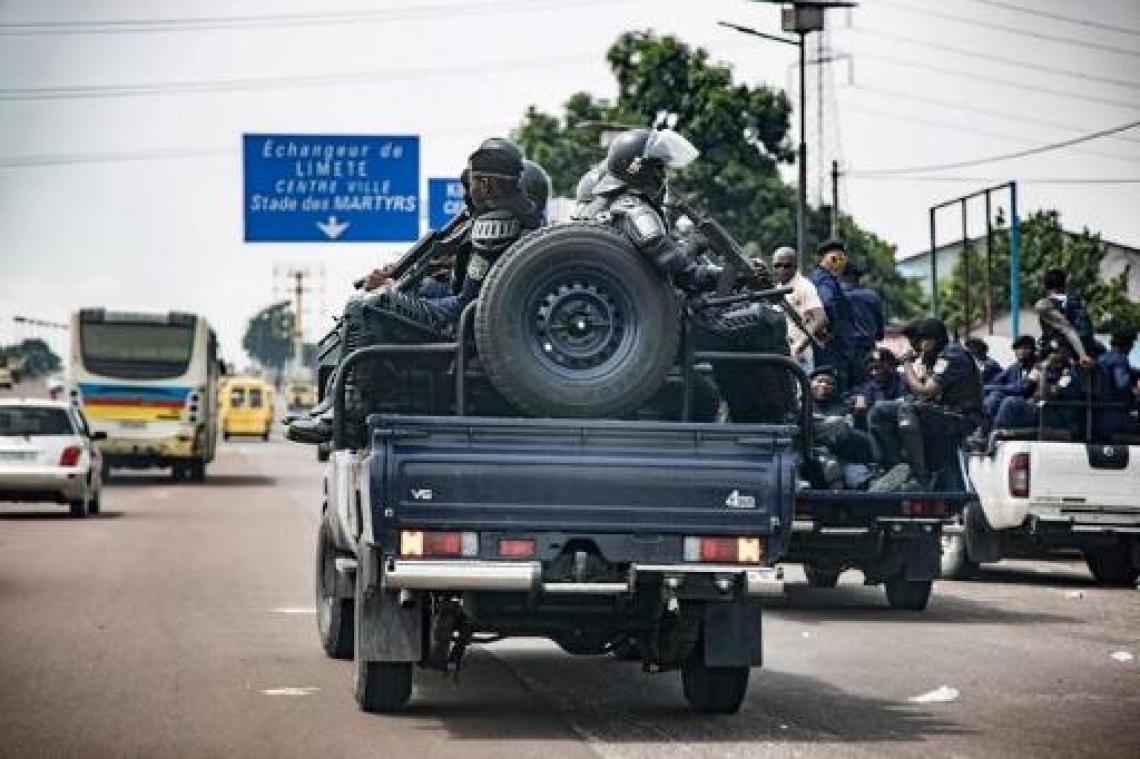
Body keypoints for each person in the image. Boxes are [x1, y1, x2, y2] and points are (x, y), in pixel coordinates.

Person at [287, 138, 545, 445]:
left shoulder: (498, 223)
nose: (468, 193)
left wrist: (396, 294)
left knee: (366, 307)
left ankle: (347, 411)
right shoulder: (525, 223)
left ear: (488, 185)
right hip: (478, 326)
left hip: (464, 327)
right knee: (379, 302)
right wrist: (420, 287)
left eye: (474, 182)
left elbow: (471, 301)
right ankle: (335, 404)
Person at [574, 127, 791, 424]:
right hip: (665, 325)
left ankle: (750, 417)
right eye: (657, 168)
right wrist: (706, 252)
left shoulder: (599, 210)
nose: (662, 177)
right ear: (639, 170)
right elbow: (678, 268)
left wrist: (735, 277)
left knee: (735, 325)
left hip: (633, 325)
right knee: (768, 320)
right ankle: (789, 417)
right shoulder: (633, 210)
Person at [867, 317, 983, 490]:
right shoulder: (933, 359)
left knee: (904, 410)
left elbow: (925, 391)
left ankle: (919, 474)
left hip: (962, 418)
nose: (914, 347)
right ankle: (894, 468)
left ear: (930, 339)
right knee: (881, 411)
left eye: (917, 341)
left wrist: (907, 365)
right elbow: (922, 397)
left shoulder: (952, 355)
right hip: (943, 415)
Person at [991, 339, 1083, 434]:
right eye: (1048, 353)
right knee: (1000, 398)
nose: (1049, 356)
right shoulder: (1041, 368)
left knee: (1010, 403)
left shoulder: (1068, 375)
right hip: (1041, 409)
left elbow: (1046, 396)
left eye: (1054, 353)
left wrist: (1044, 370)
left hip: (1057, 415)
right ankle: (987, 432)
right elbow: (1026, 385)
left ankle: (995, 434)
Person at [808, 238, 855, 391]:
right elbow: (828, 303)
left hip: (828, 343)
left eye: (842, 259)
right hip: (831, 345)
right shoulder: (824, 280)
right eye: (835, 258)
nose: (840, 263)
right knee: (832, 383)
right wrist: (830, 330)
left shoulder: (822, 278)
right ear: (825, 259)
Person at [771, 245, 827, 371]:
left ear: (795, 266)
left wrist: (800, 345)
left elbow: (821, 319)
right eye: (777, 266)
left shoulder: (804, 286)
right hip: (782, 351)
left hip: (798, 352)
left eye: (787, 266)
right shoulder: (778, 287)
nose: (782, 270)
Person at [840, 261, 884, 386]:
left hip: (844, 350)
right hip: (868, 349)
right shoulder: (872, 296)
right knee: (868, 386)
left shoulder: (837, 297)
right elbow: (880, 333)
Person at [845, 347, 906, 430]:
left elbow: (909, 402)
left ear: (891, 366)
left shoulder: (903, 381)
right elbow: (847, 400)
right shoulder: (867, 387)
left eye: (878, 368)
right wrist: (857, 399)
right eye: (871, 369)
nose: (874, 372)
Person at [1095, 327, 1138, 440]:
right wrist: (1135, 394)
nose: (1132, 347)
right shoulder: (1120, 359)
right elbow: (1122, 389)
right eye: (1132, 343)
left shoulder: (1102, 358)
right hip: (1116, 416)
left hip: (1100, 415)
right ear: (1126, 344)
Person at [1038, 267, 1094, 353]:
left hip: (1070, 352)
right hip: (1067, 351)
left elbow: (1083, 334)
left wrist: (1056, 343)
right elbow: (1085, 333)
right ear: (1064, 285)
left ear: (1045, 287)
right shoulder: (1075, 304)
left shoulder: (1044, 305)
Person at [983, 335, 1036, 419]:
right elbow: (996, 379)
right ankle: (980, 423)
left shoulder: (1036, 367)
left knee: (1002, 398)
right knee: (993, 395)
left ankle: (991, 428)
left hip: (1028, 404)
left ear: (1032, 350)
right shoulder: (1014, 367)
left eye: (1025, 348)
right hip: (1012, 400)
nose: (1021, 351)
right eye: (1018, 349)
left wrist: (992, 387)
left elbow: (1021, 388)